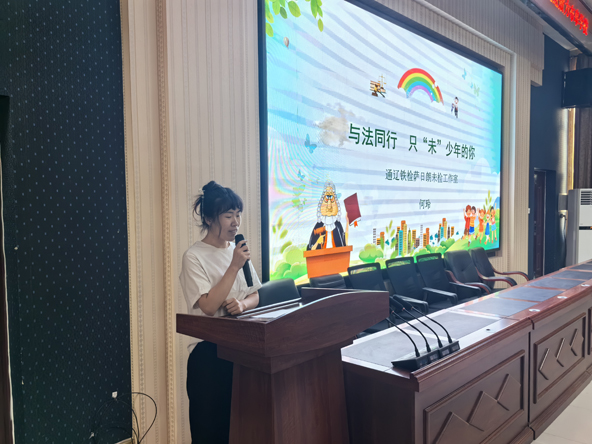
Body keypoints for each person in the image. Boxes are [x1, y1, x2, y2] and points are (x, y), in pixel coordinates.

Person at [179, 181, 262, 443]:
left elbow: (255, 294)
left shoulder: (237, 251)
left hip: (241, 350)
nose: (235, 222)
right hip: (209, 357)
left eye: (238, 214)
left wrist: (243, 305)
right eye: (228, 216)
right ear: (208, 219)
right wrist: (233, 266)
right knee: (210, 434)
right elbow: (208, 306)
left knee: (240, 430)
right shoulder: (194, 256)